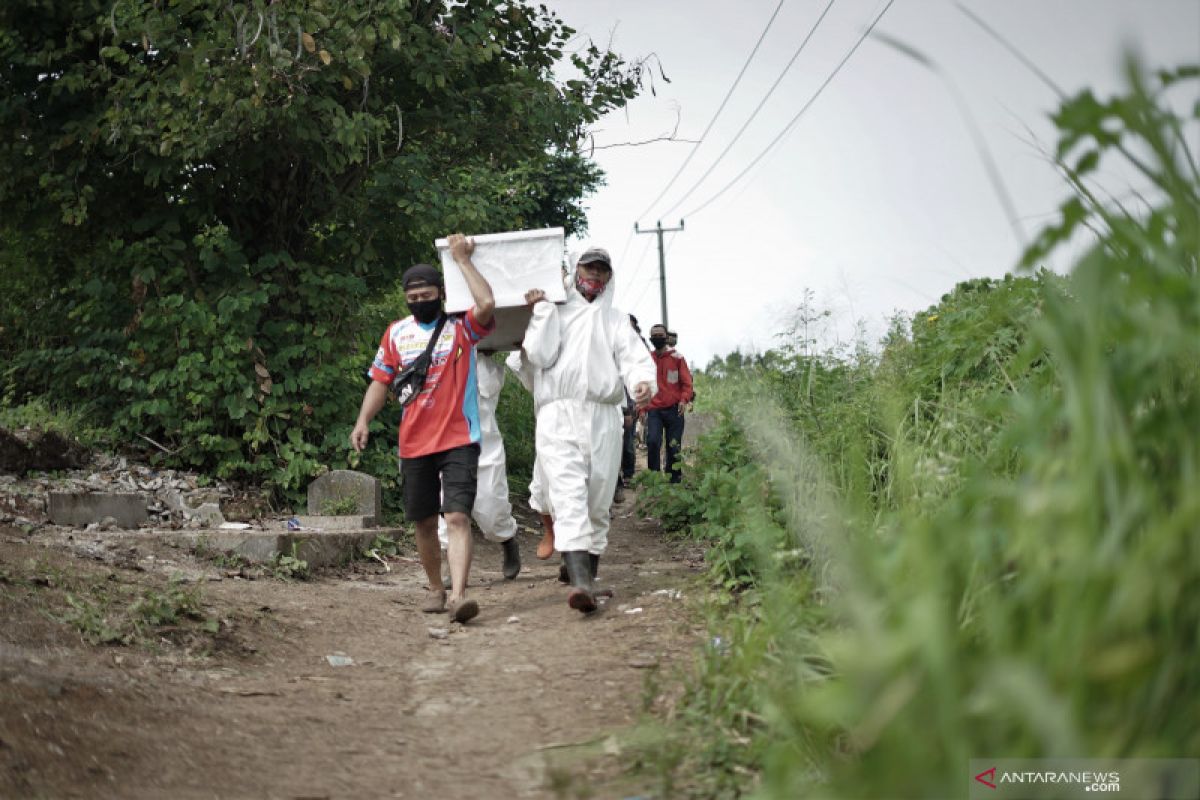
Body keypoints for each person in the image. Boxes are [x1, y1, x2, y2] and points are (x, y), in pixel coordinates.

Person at [350, 234, 495, 624]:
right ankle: (436, 588)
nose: (419, 303)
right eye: (412, 298)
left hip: (459, 438)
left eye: (427, 295)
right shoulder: (396, 333)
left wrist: (462, 259)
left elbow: (487, 304)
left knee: (458, 517)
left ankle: (460, 595)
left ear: (441, 293)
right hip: (414, 443)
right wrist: (363, 420)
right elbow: (381, 380)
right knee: (424, 520)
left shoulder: (461, 327)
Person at [522, 245, 655, 613]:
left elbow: (635, 360)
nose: (594, 276)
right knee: (567, 493)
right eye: (588, 268)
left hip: (602, 417)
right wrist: (542, 312)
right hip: (557, 414)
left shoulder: (615, 320)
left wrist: (642, 383)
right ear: (575, 269)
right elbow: (537, 355)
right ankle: (580, 582)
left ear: (609, 277)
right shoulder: (554, 309)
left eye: (601, 270)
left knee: (597, 498)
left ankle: (587, 578)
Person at [436, 351, 521, 581]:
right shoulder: (437, 348)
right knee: (447, 508)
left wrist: (482, 348)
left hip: (484, 442)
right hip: (448, 442)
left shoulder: (482, 359)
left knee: (491, 506)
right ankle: (450, 563)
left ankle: (507, 540)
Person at [645, 323, 694, 484]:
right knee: (652, 441)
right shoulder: (647, 359)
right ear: (650, 338)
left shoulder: (677, 358)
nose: (657, 338)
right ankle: (653, 478)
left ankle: (674, 478)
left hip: (674, 409)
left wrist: (683, 400)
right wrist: (641, 409)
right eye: (654, 335)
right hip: (654, 410)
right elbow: (642, 385)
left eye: (660, 335)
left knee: (674, 445)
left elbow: (687, 383)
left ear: (666, 337)